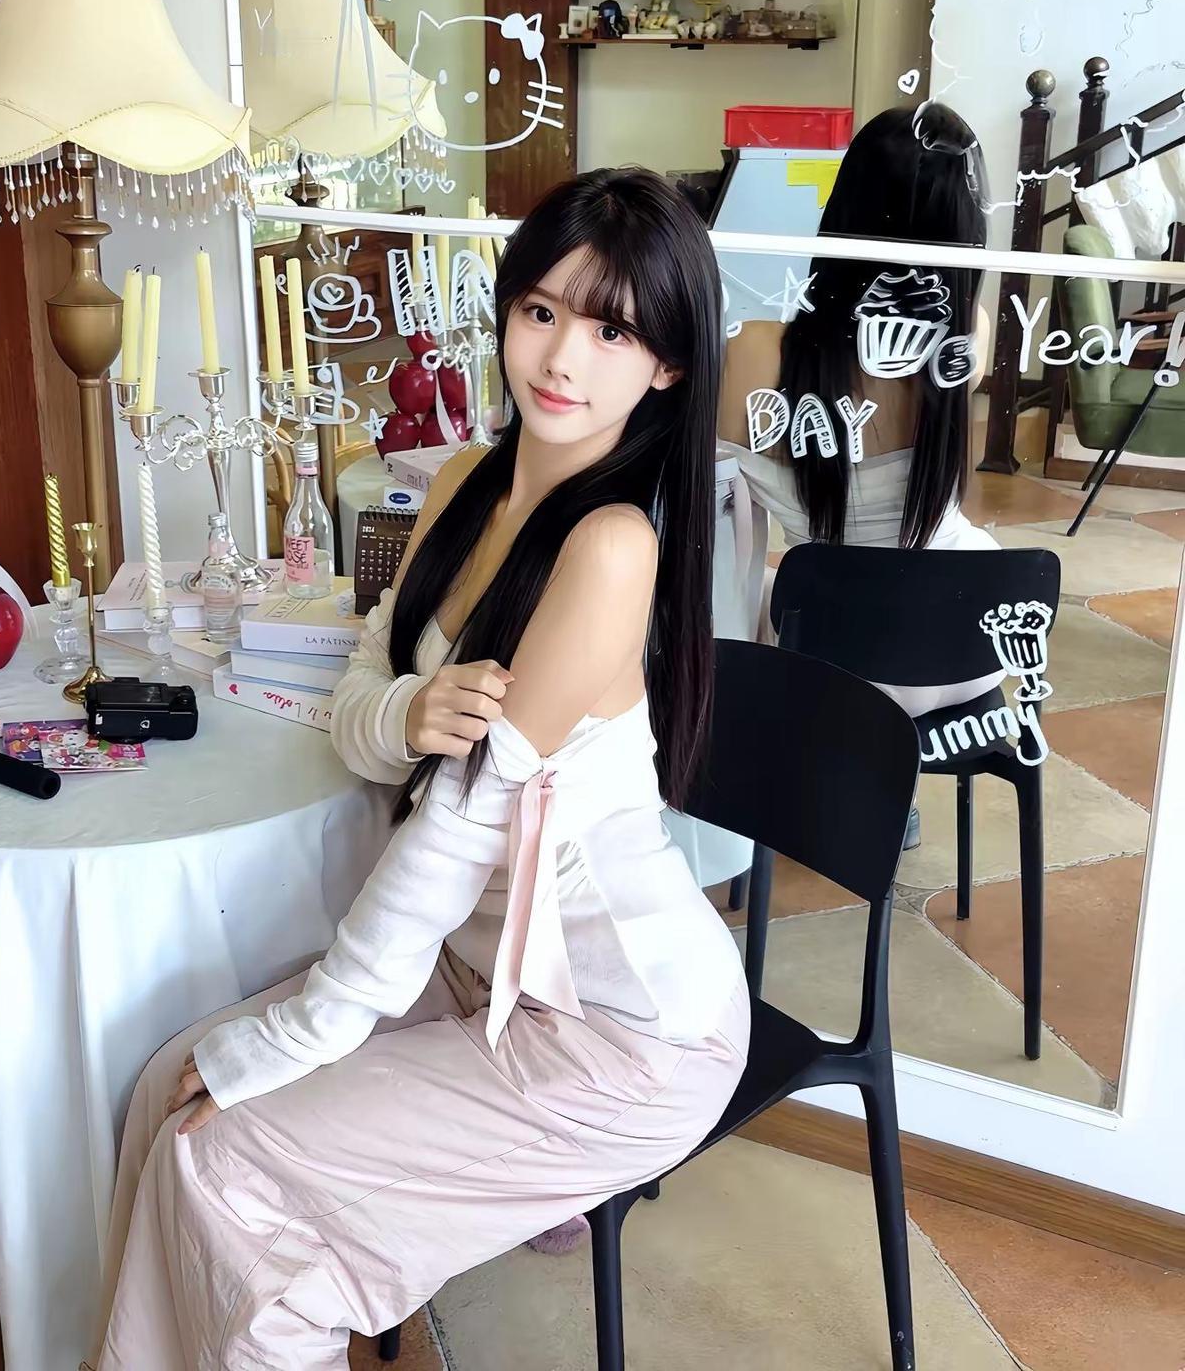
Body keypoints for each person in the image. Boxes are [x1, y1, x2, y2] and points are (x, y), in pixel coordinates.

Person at [89, 168, 749, 1371]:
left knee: (226, 1162)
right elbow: (357, 701)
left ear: (665, 365)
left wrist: (293, 1042)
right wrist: (408, 708)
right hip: (476, 973)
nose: (561, 358)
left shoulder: (609, 547)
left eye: (611, 332)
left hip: (624, 1031)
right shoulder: (458, 481)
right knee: (165, 1092)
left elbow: (454, 830)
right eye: (540, 311)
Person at [717, 104, 1001, 847]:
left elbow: (724, 504)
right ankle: (882, 785)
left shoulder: (751, 354)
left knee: (769, 586)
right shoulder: (966, 340)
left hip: (827, 655)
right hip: (962, 645)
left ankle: (827, 772)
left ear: (841, 213)